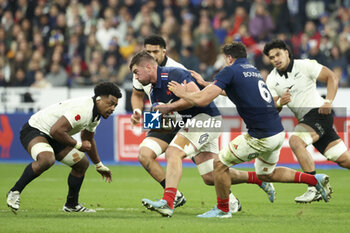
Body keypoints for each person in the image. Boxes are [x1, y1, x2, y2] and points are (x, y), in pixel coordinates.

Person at [168, 42, 332, 218]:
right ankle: (315, 179)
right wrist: (205, 82)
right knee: (267, 174)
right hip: (277, 131)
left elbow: (202, 100)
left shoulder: (229, 70)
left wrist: (182, 93)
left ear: (229, 58)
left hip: (260, 135)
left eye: (225, 59)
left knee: (219, 164)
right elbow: (230, 89)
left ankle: (223, 209)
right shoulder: (252, 71)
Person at [130, 51, 276, 218]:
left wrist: (169, 109)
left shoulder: (175, 73)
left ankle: (168, 202)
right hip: (190, 124)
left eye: (136, 72)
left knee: (173, 152)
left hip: (206, 119)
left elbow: (196, 97)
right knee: (210, 176)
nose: (135, 77)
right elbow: (165, 120)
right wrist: (147, 121)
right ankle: (257, 178)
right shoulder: (154, 91)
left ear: (148, 67)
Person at [6, 82, 122, 213]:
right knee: (46, 159)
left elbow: (88, 139)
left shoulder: (95, 116)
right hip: (36, 129)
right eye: (110, 103)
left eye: (115, 105)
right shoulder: (83, 109)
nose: (112, 108)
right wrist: (78, 145)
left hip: (56, 135)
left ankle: (71, 205)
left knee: (81, 164)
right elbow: (56, 130)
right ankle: (15, 191)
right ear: (99, 99)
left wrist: (98, 165)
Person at [263, 39, 350, 203]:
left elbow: (332, 77)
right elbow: (274, 107)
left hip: (319, 113)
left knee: (296, 141)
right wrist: (280, 102)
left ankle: (313, 187)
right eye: (272, 57)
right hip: (307, 119)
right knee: (343, 159)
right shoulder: (271, 79)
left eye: (278, 54)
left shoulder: (305, 65)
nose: (275, 59)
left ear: (286, 53)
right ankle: (314, 185)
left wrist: (328, 101)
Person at [130, 35, 188, 209]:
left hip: (184, 118)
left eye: (155, 51)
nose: (152, 55)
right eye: (148, 51)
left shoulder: (177, 69)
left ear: (164, 51)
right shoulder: (140, 69)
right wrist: (137, 111)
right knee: (144, 155)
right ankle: (174, 196)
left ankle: (230, 199)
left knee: (207, 169)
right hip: (161, 118)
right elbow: (137, 94)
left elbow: (192, 97)